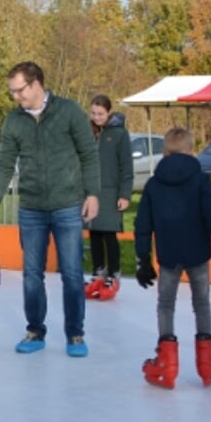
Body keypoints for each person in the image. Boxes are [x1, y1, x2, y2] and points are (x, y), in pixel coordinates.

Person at [0, 61, 99, 358]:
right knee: (32, 273)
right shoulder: (14, 121)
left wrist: (93, 194)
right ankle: (35, 330)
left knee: (72, 273)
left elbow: (89, 155)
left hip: (67, 204)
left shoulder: (69, 111)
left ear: (36, 84)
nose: (15, 97)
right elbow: (6, 163)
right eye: (12, 92)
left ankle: (75, 334)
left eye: (19, 90)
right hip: (32, 207)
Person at [133, 127, 211, 390]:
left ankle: (166, 363)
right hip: (198, 253)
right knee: (201, 303)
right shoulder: (201, 180)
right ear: (191, 151)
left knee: (166, 304)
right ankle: (206, 362)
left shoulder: (154, 184)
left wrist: (142, 259)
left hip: (168, 255)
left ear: (165, 152)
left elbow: (143, 223)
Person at [84, 94, 133, 301]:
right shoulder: (89, 132)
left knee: (109, 233)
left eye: (100, 114)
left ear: (109, 112)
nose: (96, 117)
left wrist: (124, 193)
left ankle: (113, 273)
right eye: (93, 113)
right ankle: (98, 271)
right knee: (94, 232)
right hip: (91, 191)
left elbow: (126, 166)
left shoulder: (120, 135)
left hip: (111, 192)